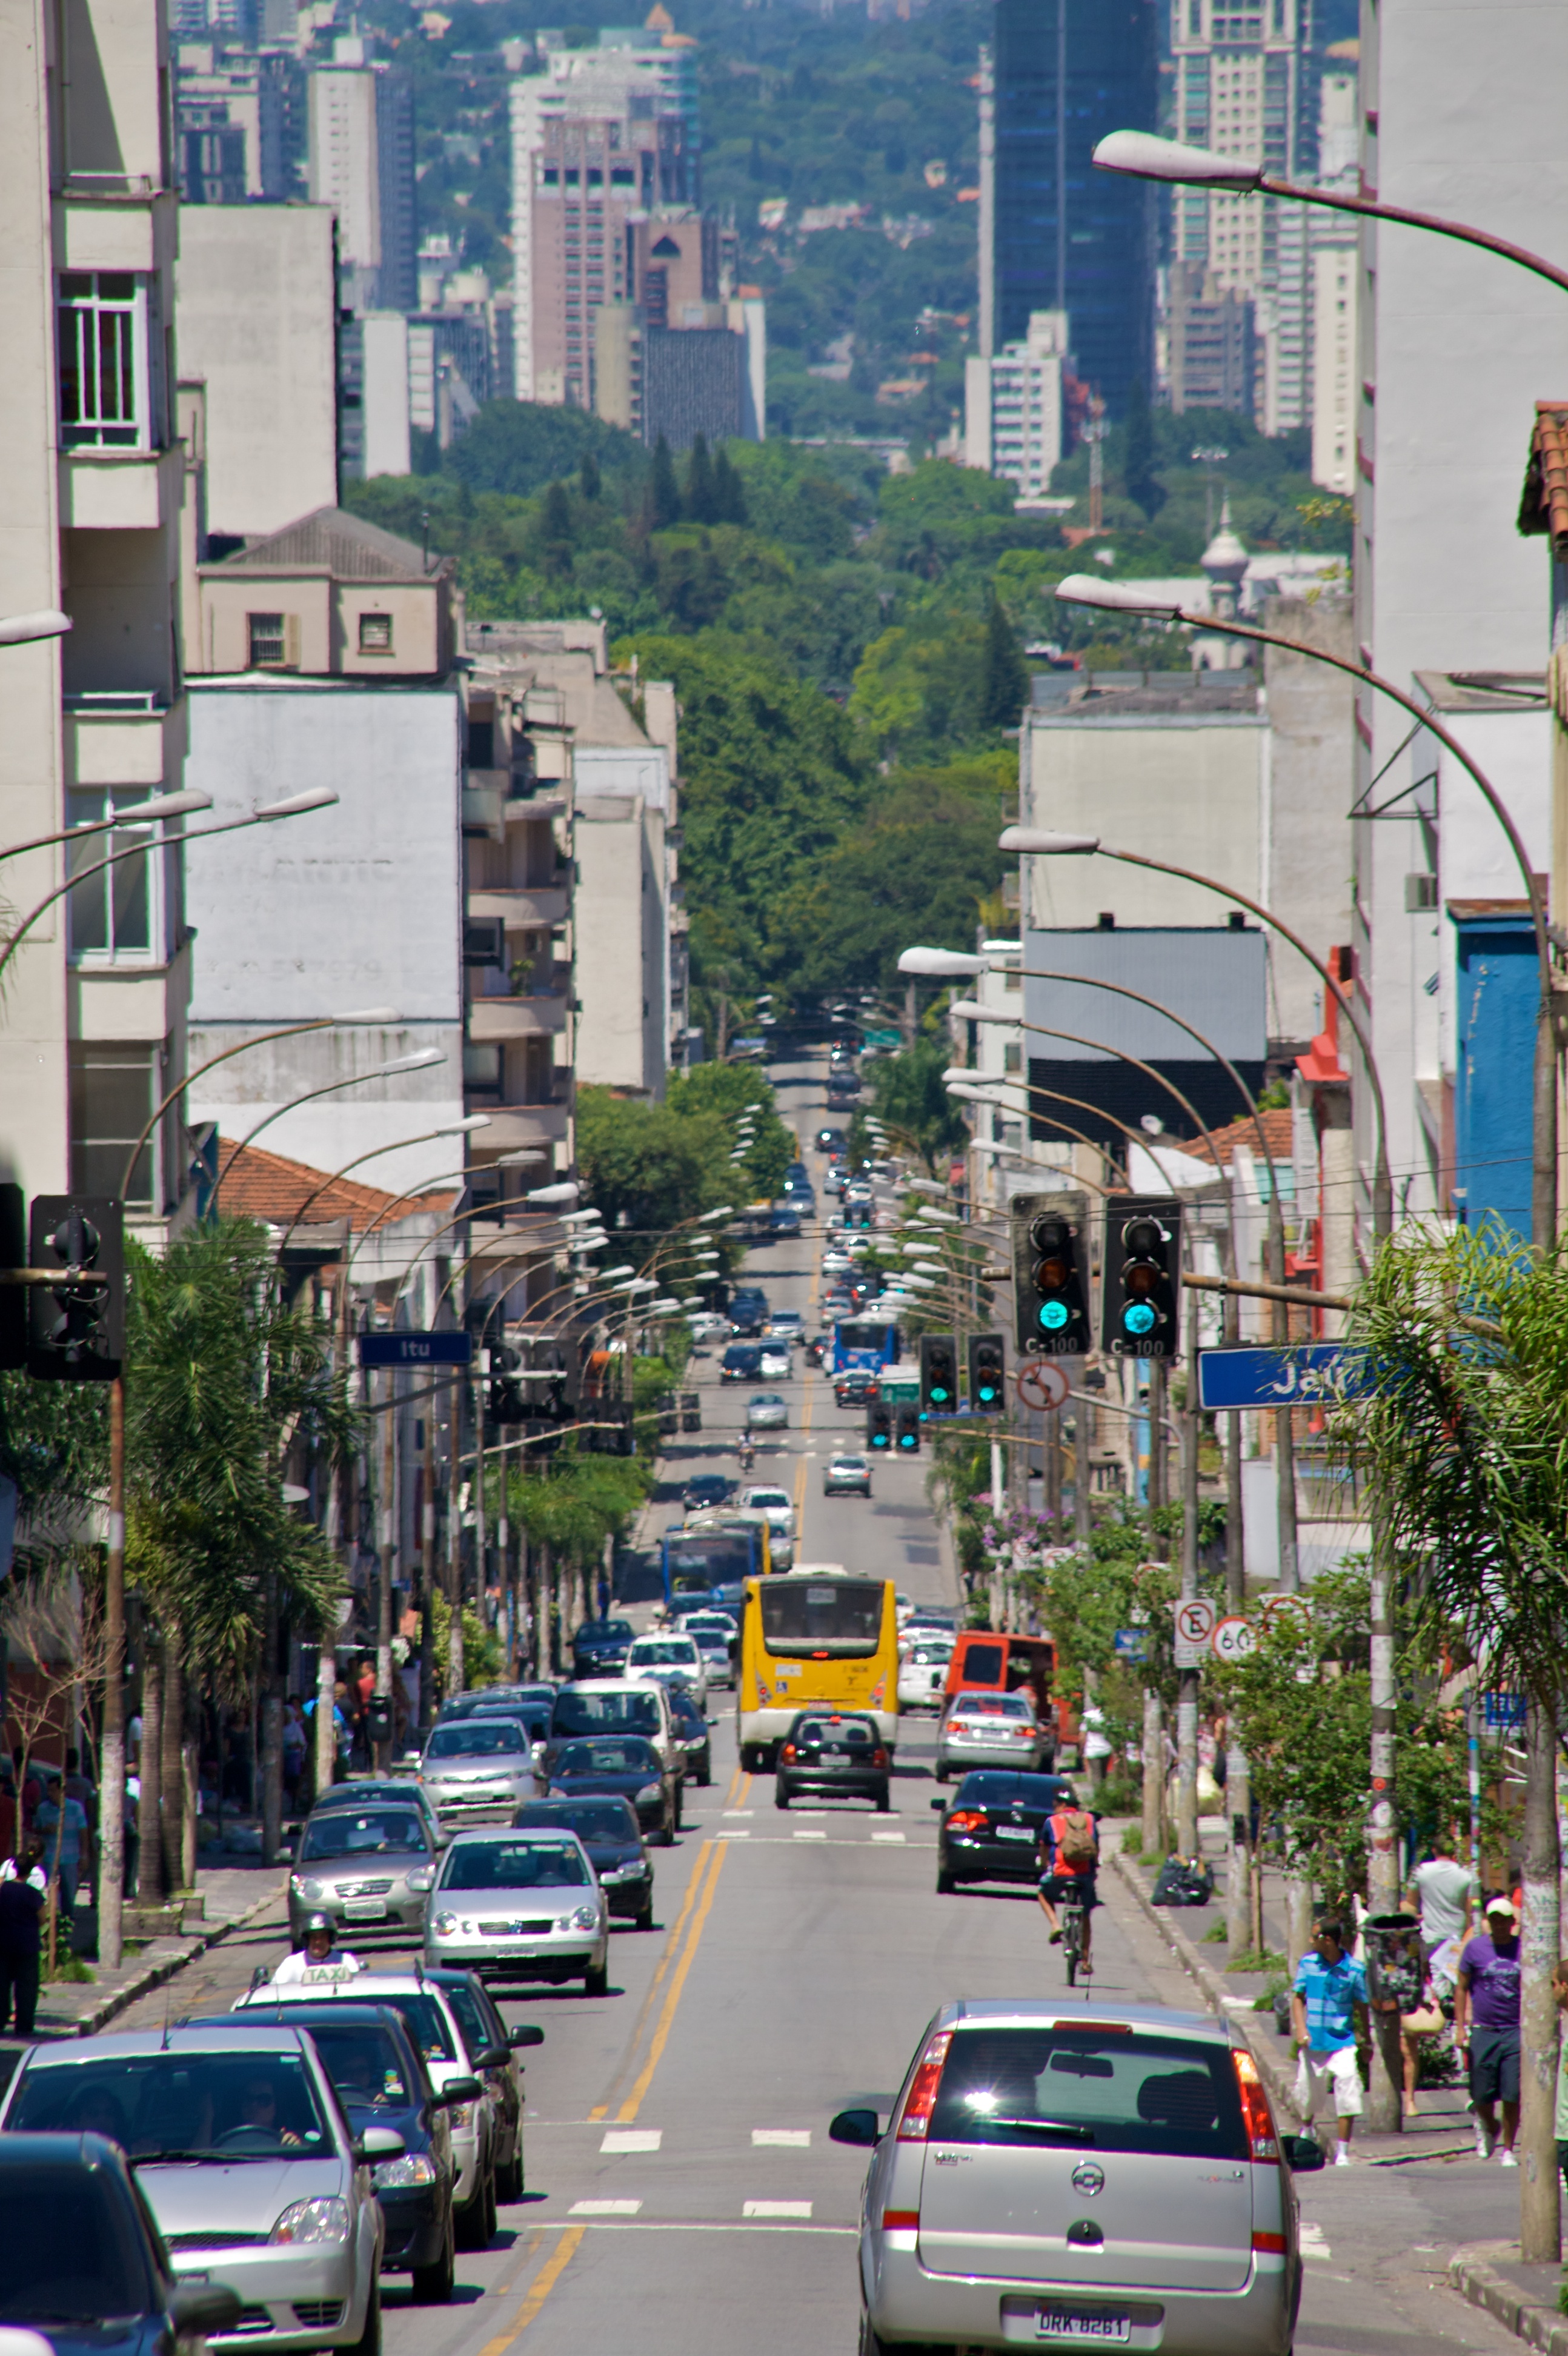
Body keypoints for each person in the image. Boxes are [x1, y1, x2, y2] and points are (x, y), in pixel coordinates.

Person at [1291, 1917, 1368, 2166]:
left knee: (1348, 2088)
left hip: (1342, 2041)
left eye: (1315, 1937)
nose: (1311, 1941)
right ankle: (1307, 2124)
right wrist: (1301, 2028)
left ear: (1327, 1940)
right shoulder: (1308, 1963)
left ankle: (1343, 2151)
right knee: (1308, 2090)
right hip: (1314, 2041)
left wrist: (1365, 2038)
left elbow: (1362, 2005)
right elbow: (1297, 1997)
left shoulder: (1354, 1970)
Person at [1456, 1894, 1522, 2164]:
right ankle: (1489, 2125)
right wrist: (1461, 2027)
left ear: (1512, 1922)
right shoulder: (1475, 1949)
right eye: (1493, 1919)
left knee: (1512, 2092)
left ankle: (1508, 2148)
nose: (1498, 1925)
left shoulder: (1523, 1948)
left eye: (1503, 1920)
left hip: (1515, 2030)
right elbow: (1461, 1986)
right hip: (1484, 2029)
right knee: (1480, 2094)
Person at [1037, 1796, 1100, 1972]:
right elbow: (1095, 1846)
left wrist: (1045, 1864)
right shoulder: (1089, 1819)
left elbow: (1043, 1846)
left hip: (1059, 1873)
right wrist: (1094, 1866)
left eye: (1055, 1806)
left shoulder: (1052, 1821)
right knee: (1086, 1914)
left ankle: (1056, 1925)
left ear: (1062, 1806)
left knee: (1043, 1893)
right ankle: (1086, 1961)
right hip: (1085, 1874)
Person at [0, 1836, 49, 2038]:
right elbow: (43, 1919)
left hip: (3, 1943)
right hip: (27, 1945)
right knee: (27, 1987)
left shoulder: (3, 1890)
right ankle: (24, 2024)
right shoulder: (32, 1894)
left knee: (2, 1984)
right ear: (29, 1872)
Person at [1407, 1839, 1477, 1966]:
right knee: (1453, 1976)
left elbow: (1410, 1904)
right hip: (1457, 1935)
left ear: (1434, 1850)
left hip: (1430, 1936)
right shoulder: (1467, 1875)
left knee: (1432, 1978)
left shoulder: (1421, 1871)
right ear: (1453, 1852)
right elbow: (1470, 1910)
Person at [35, 1777, 91, 1918]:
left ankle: (68, 1921)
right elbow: (36, 1830)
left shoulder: (75, 1808)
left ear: (62, 1791)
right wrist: (45, 1830)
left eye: (53, 1790)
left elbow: (83, 1832)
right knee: (51, 1893)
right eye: (48, 1790)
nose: (50, 1793)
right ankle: (54, 1921)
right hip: (50, 1857)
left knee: (69, 1894)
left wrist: (84, 1855)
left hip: (70, 1858)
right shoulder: (43, 1809)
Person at [271, 1911, 362, 1986]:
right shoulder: (292, 1963)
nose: (318, 1942)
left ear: (330, 1939)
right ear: (306, 1940)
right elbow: (273, 1991)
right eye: (314, 1937)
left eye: (322, 1937)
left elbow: (358, 1987)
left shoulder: (346, 1961)